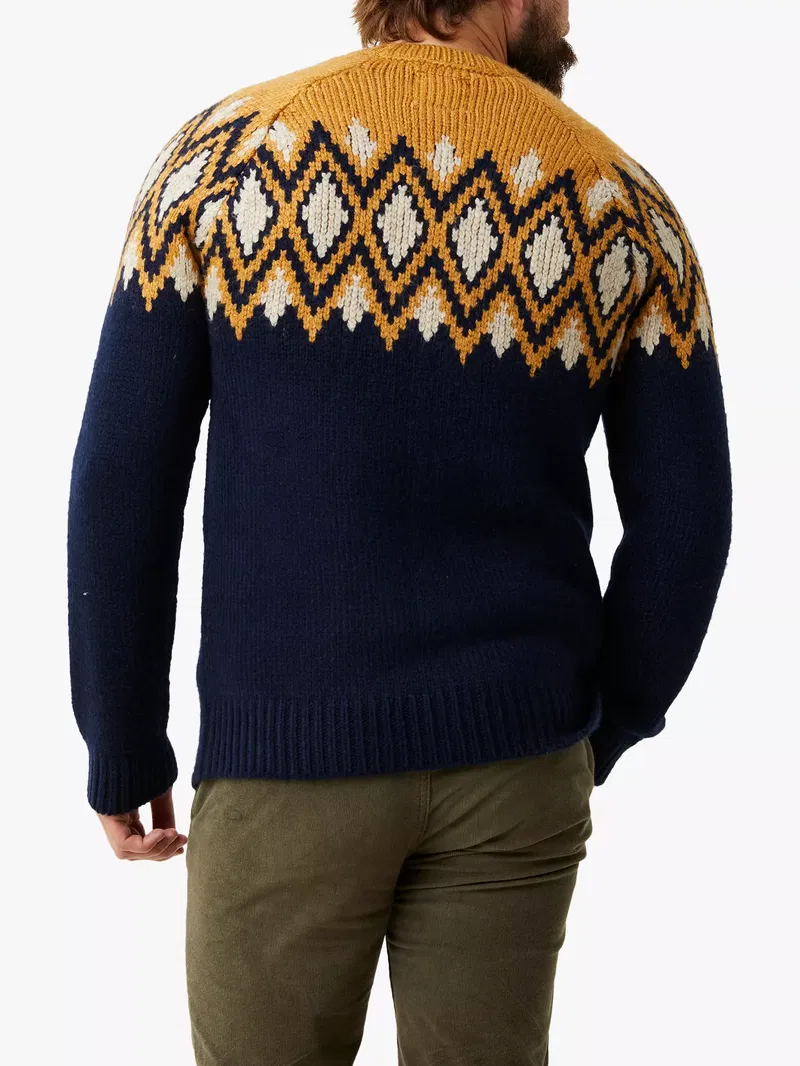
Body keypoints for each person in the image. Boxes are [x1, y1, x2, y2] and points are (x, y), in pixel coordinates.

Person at [67, 0, 732, 1062]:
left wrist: (120, 734)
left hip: (285, 759)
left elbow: (123, 478)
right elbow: (688, 522)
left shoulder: (224, 164)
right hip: (517, 762)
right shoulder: (619, 201)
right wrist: (597, 732)